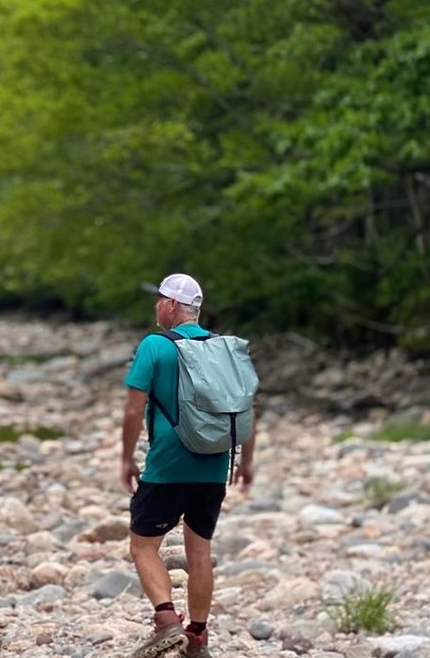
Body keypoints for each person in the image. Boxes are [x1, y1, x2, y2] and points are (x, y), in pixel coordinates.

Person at [122, 273, 256, 658]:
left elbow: (134, 408)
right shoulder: (224, 349)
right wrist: (246, 461)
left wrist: (125, 457)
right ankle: (197, 637)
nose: (155, 307)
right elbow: (247, 410)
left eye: (159, 300)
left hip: (167, 465)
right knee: (199, 550)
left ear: (170, 305)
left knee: (143, 546)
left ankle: (166, 621)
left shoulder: (155, 346)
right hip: (214, 466)